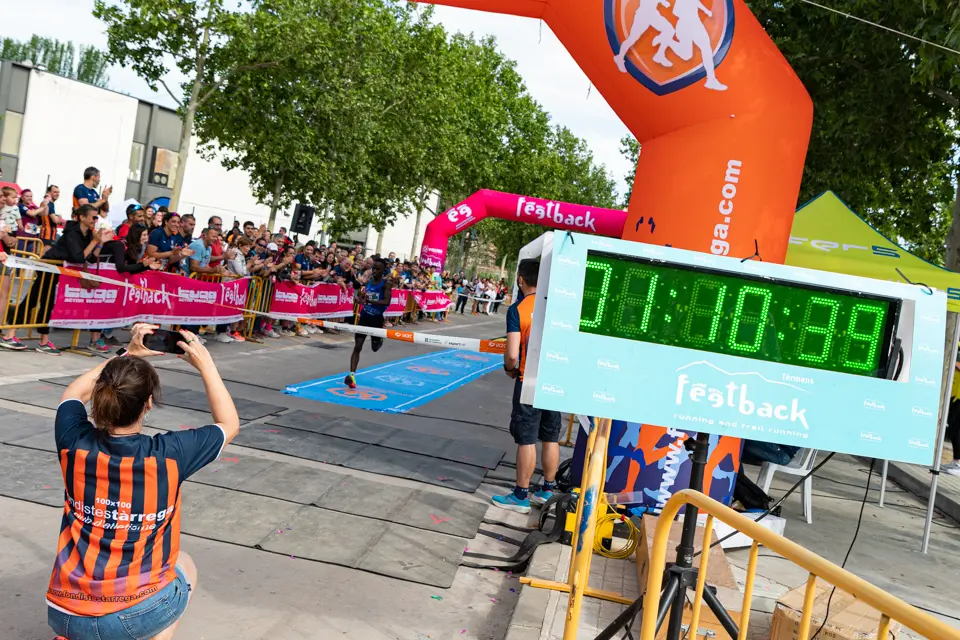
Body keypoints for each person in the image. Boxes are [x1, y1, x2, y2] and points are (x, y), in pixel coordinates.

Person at [45, 324, 239, 640]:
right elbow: (229, 424)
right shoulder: (170, 455)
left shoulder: (72, 441)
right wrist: (206, 365)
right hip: (131, 617)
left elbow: (72, 395)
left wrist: (128, 353)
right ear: (147, 403)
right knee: (185, 565)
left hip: (64, 614)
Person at [492, 259, 560, 514]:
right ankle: (547, 490)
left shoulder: (517, 309)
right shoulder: (556, 306)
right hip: (554, 379)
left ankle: (521, 494)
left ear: (521, 280)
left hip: (529, 379)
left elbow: (511, 354)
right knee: (550, 436)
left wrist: (510, 368)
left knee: (527, 439)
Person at [2, 204, 113, 355]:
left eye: (96, 217)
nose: (95, 220)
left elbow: (91, 258)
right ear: (82, 217)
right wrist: (94, 241)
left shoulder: (87, 234)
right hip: (49, 266)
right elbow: (78, 257)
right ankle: (33, 339)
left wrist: (100, 243)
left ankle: (17, 335)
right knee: (42, 301)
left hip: (57, 269)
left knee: (35, 299)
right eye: (93, 217)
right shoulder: (72, 233)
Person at [344, 257, 392, 390]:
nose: (374, 271)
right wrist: (360, 298)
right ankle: (352, 376)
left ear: (383, 271)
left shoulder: (386, 283)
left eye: (378, 269)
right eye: (373, 268)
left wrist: (369, 301)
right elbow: (361, 296)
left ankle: (379, 339)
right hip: (364, 318)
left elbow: (386, 302)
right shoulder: (369, 282)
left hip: (376, 320)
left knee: (374, 348)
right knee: (357, 346)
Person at [73, 166, 113, 232]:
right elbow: (86, 207)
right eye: (99, 177)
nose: (99, 180)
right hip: (79, 227)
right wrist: (102, 200)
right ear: (93, 177)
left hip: (91, 228)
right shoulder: (80, 188)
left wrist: (105, 198)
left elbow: (104, 211)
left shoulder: (94, 192)